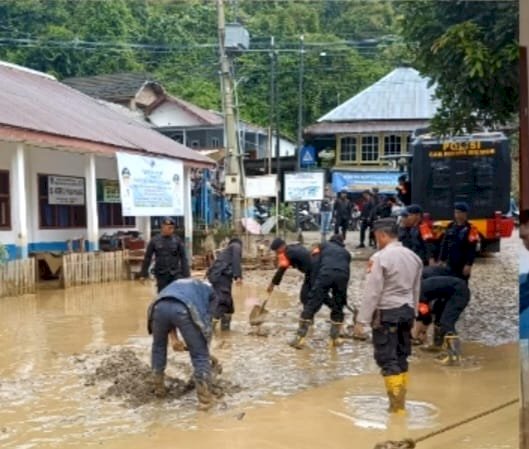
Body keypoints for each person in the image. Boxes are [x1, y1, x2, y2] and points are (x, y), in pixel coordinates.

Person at [353, 218, 422, 414]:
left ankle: (397, 408)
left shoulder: (380, 258)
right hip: (407, 311)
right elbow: (417, 289)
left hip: (387, 313)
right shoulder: (414, 257)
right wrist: (414, 315)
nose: (376, 241)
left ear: (382, 235)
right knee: (402, 356)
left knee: (387, 358)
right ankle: (401, 404)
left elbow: (372, 292)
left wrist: (362, 321)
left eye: (376, 237)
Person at [147, 278, 219, 410]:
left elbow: (170, 309)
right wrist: (202, 347)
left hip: (157, 307)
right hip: (183, 309)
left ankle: (158, 389)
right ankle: (205, 401)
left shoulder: (180, 284)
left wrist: (174, 338)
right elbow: (206, 323)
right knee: (200, 356)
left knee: (158, 347)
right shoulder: (212, 294)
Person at [289, 234, 351, 349]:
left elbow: (315, 262)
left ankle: (299, 338)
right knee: (338, 305)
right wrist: (343, 295)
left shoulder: (323, 246)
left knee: (312, 303)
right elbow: (345, 269)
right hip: (342, 277)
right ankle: (334, 339)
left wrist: (315, 283)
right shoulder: (346, 253)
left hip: (325, 274)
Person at [411, 276, 470, 365]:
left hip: (459, 293)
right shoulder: (417, 289)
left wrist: (421, 333)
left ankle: (454, 357)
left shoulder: (417, 294)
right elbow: (426, 314)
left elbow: (426, 316)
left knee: (446, 322)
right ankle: (437, 346)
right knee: (438, 315)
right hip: (449, 294)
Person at [140, 217, 190, 292]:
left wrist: (186, 275)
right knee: (163, 295)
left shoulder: (177, 240)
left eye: (172, 228)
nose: (171, 230)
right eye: (169, 228)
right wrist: (143, 274)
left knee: (176, 294)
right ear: (162, 227)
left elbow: (183, 258)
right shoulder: (154, 240)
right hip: (161, 274)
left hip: (175, 274)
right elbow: (147, 258)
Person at [206, 238, 242, 331]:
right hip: (221, 276)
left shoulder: (226, 252)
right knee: (223, 300)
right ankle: (209, 328)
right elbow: (236, 260)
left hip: (219, 276)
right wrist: (238, 276)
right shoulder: (236, 246)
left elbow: (215, 264)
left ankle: (225, 330)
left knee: (228, 305)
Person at [437, 202, 479, 282]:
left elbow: (472, 249)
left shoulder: (471, 229)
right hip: (450, 262)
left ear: (465, 214)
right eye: (456, 212)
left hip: (462, 262)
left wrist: (469, 264)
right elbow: (444, 244)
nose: (457, 215)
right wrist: (441, 259)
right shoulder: (450, 226)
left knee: (462, 284)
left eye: (459, 213)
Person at [267, 238, 313, 305]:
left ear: (282, 246)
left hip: (314, 272)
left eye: (276, 251)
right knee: (317, 292)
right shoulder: (292, 248)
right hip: (314, 270)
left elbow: (280, 271)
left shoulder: (287, 253)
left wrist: (272, 285)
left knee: (306, 296)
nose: (276, 254)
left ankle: (307, 313)